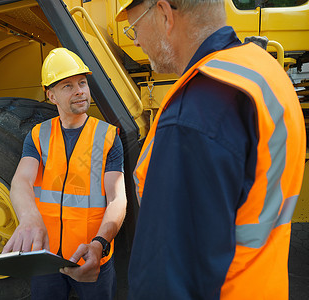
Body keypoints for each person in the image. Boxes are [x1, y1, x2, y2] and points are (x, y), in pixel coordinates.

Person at [116, 0, 306, 299]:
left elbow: (166, 280)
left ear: (165, 14)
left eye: (133, 28)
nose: (136, 40)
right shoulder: (263, 71)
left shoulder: (193, 116)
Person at [2, 47, 127, 300]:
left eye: (82, 82)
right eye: (68, 86)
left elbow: (117, 199)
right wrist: (28, 218)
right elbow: (22, 180)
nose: (80, 90)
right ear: (52, 96)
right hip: (46, 257)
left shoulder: (107, 137)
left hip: (90, 256)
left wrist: (100, 244)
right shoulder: (38, 135)